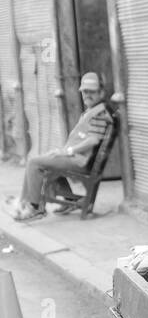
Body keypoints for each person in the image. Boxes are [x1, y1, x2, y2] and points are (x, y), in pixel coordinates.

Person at [12, 72, 113, 220]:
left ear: (101, 92)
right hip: (76, 157)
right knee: (46, 158)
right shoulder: (94, 110)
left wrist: (68, 151)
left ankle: (34, 207)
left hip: (79, 160)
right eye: (85, 91)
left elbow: (93, 140)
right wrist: (62, 152)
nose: (87, 95)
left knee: (34, 163)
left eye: (92, 91)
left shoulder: (99, 113)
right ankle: (69, 200)